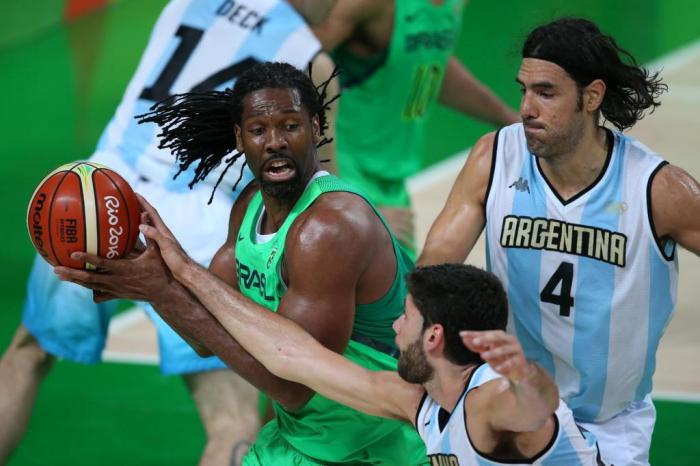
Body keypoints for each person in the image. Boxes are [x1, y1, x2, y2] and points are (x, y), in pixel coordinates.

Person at [0, 1, 338, 464]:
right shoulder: (312, 62)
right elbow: (316, 190)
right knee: (233, 419)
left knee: (27, 352)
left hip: (95, 194)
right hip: (194, 225)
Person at [56, 61, 429, 465]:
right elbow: (206, 336)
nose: (275, 142)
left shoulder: (330, 229)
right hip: (304, 437)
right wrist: (152, 283)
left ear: (317, 128)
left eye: (290, 126)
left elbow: (292, 385)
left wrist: (166, 285)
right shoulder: (251, 206)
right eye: (258, 130)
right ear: (239, 138)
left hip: (374, 446)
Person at [418, 17, 700, 466]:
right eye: (523, 90)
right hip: (510, 409)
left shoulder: (656, 189)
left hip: (609, 428)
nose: (526, 107)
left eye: (546, 93)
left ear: (592, 96)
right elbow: (428, 281)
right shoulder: (495, 159)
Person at [311, 0, 519, 254]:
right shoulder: (373, 5)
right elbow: (293, 63)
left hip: (392, 185)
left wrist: (512, 120)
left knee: (407, 289)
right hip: (340, 170)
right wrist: (343, 204)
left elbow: (428, 63)